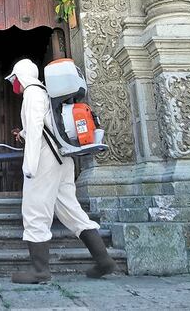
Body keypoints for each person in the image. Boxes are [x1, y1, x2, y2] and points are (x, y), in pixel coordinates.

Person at [7, 58, 116, 283]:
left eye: (13, 79)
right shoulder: (45, 92)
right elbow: (43, 127)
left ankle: (39, 270)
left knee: (34, 209)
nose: (13, 84)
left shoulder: (32, 94)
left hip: (45, 159)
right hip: (62, 159)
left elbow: (37, 130)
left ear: (20, 76)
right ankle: (103, 260)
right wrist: (24, 134)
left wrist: (30, 165)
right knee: (69, 208)